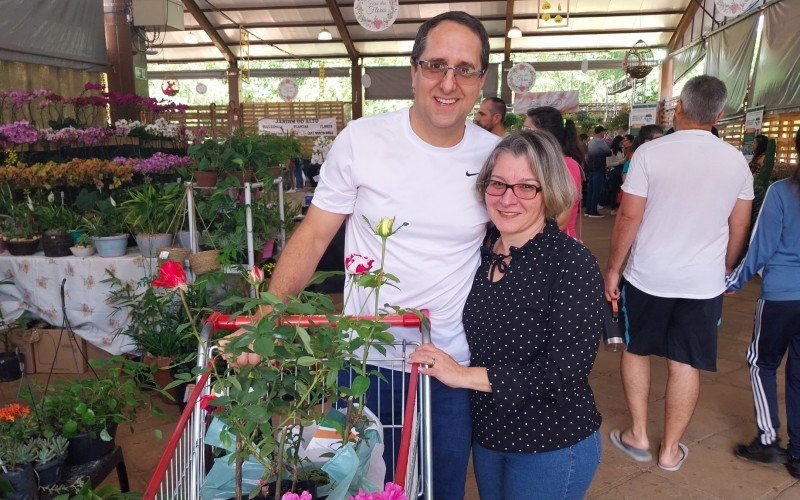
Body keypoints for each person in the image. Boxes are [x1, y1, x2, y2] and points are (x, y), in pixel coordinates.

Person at [239, 11, 500, 499]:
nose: (449, 82)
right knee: (361, 485)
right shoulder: (362, 140)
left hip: (450, 364)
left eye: (465, 69)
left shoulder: (494, 156)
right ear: (413, 69)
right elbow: (315, 236)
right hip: (365, 361)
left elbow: (520, 246)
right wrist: (265, 320)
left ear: (481, 79)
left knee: (441, 488)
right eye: (435, 65)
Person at [410, 130, 604, 498]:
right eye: (498, 184)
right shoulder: (482, 251)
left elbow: (565, 371)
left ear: (550, 192)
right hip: (491, 435)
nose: (508, 199)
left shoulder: (570, 263)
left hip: (551, 440)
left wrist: (462, 376)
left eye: (526, 187)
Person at [604, 75, 754, 472]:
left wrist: (613, 269)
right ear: (719, 114)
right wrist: (725, 266)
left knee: (637, 351)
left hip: (648, 275)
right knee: (684, 362)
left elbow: (629, 216)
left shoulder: (651, 153)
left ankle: (637, 434)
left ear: (679, 109)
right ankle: (670, 450)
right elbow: (740, 225)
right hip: (702, 283)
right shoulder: (735, 160)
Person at [728, 126, 800, 478]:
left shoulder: (782, 192)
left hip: (782, 297)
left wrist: (734, 280)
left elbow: (761, 247)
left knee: (762, 363)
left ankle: (769, 440)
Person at [524, 106, 585, 239]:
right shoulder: (534, 162)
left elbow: (561, 221)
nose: (523, 135)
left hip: (556, 245)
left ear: (544, 133)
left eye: (527, 130)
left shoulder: (567, 165)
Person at [585, 125, 611, 218]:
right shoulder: (600, 142)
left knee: (590, 190)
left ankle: (588, 210)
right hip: (599, 168)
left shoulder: (590, 142)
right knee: (596, 191)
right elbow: (609, 152)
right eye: (603, 132)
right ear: (600, 133)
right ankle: (593, 211)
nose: (604, 134)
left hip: (591, 169)